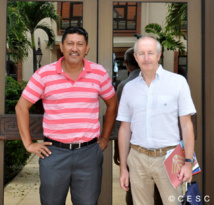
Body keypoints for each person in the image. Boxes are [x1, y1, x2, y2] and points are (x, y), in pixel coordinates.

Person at [15, 26, 118, 205]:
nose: (75, 48)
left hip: (88, 153)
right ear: (61, 47)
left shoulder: (99, 73)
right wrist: (28, 144)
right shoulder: (44, 74)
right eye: (70, 43)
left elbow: (112, 103)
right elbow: (21, 107)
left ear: (87, 48)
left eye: (80, 44)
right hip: (54, 153)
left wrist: (105, 138)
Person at [117, 37, 196, 205]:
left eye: (150, 53)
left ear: (158, 55)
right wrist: (123, 167)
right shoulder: (129, 88)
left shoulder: (177, 82)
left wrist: (188, 163)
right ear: (136, 58)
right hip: (137, 158)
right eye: (141, 54)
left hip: (169, 158)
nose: (146, 58)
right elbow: (124, 128)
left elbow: (187, 124)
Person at [113, 47, 140, 205]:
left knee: (133, 189)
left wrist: (118, 150)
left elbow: (120, 121)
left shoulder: (124, 86)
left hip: (133, 148)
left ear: (126, 64)